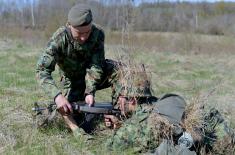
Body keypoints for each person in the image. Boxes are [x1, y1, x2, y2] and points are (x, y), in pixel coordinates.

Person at [36, 4, 120, 137]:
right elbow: (42, 71)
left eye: (87, 32)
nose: (83, 38)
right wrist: (57, 96)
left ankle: (122, 112)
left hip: (94, 77)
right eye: (79, 33)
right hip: (73, 80)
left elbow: (96, 65)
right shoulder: (59, 39)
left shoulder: (98, 34)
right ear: (70, 25)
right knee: (72, 114)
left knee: (121, 71)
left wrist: (90, 91)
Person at [104, 76, 235, 154]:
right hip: (221, 130)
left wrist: (119, 129)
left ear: (132, 100)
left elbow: (111, 147)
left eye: (119, 98)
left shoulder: (143, 120)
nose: (117, 102)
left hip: (218, 146)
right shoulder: (160, 103)